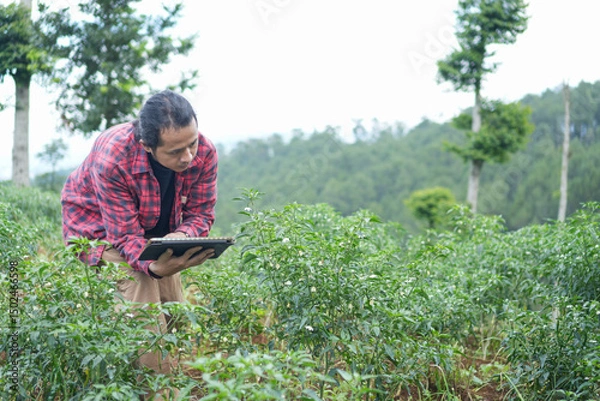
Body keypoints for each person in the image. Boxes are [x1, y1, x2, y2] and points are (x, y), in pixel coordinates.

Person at [61, 89, 217, 398]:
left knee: (173, 311)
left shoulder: (204, 153)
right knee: (145, 308)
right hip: (98, 230)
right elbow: (124, 237)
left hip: (153, 233)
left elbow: (201, 212)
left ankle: (167, 378)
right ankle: (156, 392)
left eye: (192, 143)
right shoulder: (114, 156)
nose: (188, 157)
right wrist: (154, 267)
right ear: (147, 146)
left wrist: (184, 236)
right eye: (175, 152)